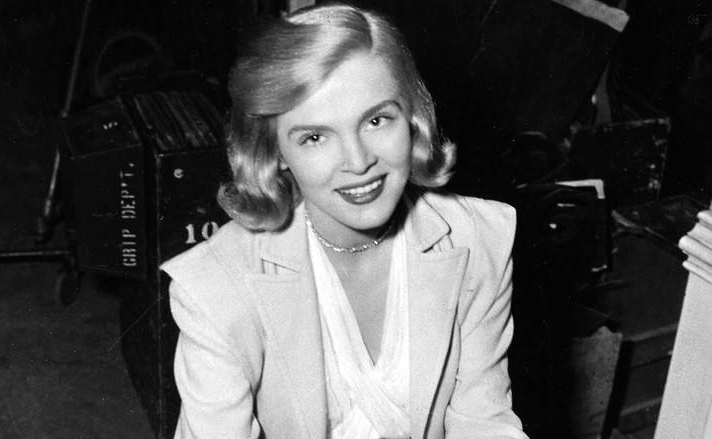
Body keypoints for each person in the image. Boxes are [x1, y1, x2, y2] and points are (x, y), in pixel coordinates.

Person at [161, 3, 528, 438]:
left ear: (412, 117)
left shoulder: (478, 238)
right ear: (275, 152)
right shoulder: (216, 286)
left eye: (377, 120)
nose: (358, 162)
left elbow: (484, 422)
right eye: (315, 137)